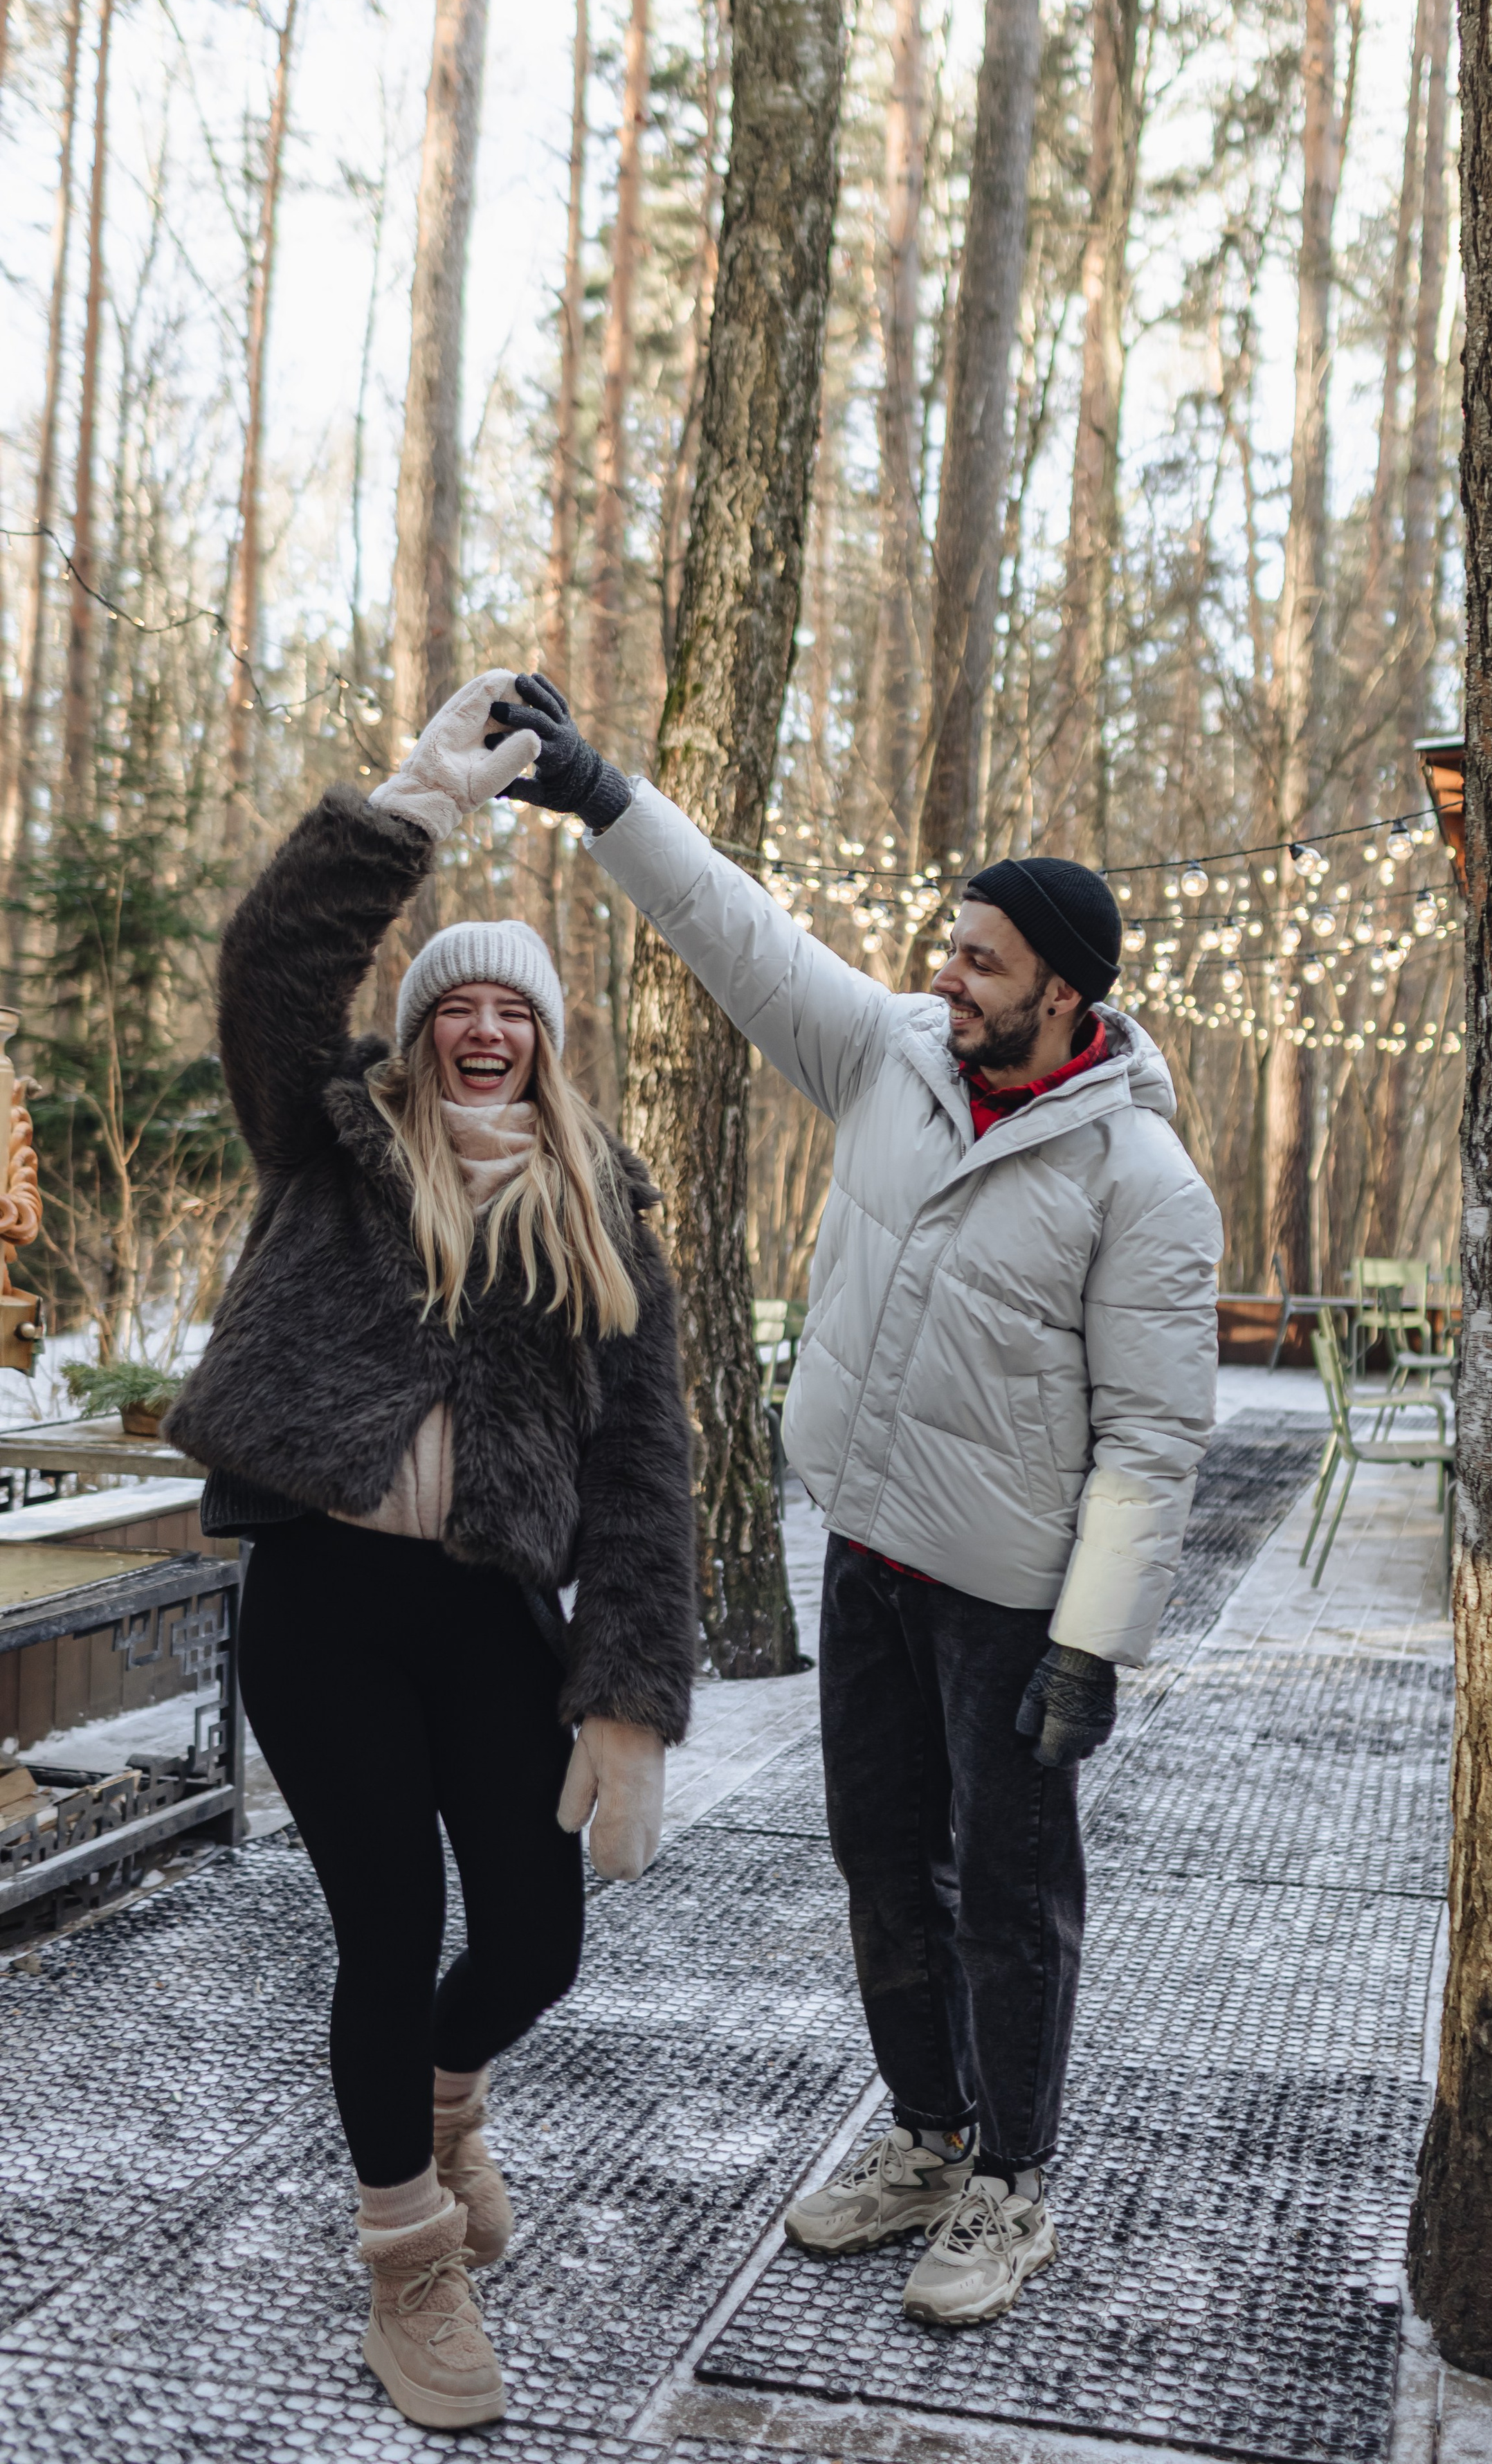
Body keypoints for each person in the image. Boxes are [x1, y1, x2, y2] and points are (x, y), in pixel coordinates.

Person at [489, 673, 1222, 2329]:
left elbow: (1154, 1444)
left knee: (1007, 1895)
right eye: (947, 950)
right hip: (872, 1556)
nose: (942, 977)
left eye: (978, 961)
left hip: (1013, 1597)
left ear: (1061, 992)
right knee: (879, 1864)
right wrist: (605, 797)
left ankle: (1010, 2184)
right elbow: (735, 932)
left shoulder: (1138, 1184)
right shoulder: (891, 1056)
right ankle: (922, 2137)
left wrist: (1090, 1650)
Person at [165, 677, 698, 2431]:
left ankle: (445, 2093)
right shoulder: (329, 1141)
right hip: (322, 1604)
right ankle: (408, 2259)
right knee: (383, 1934)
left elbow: (640, 1471)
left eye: (512, 1013)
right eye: (453, 1006)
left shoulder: (603, 1207)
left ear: (545, 1043)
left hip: (488, 1613)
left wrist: (626, 1701)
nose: (482, 1032)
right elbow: (271, 968)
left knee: (534, 1940)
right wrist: (408, 804)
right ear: (418, 1033)